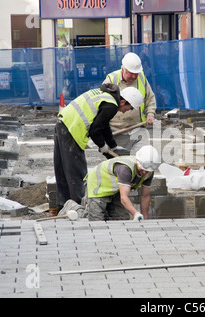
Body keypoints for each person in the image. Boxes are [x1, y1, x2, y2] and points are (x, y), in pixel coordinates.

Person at [53, 83, 144, 212]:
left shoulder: (106, 96)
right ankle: (80, 209)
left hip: (62, 124)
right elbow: (95, 130)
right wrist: (102, 146)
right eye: (128, 108)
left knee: (62, 170)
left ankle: (62, 206)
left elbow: (103, 124)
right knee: (77, 173)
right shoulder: (111, 105)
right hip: (72, 130)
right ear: (123, 101)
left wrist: (112, 146)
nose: (125, 112)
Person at [83, 145, 161, 221]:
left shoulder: (149, 172)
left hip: (114, 190)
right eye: (142, 169)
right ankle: (74, 207)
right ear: (138, 161)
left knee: (122, 219)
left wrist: (145, 219)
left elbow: (145, 196)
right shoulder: (125, 169)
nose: (144, 172)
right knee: (96, 220)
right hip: (97, 187)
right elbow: (124, 198)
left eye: (147, 170)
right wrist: (136, 214)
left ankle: (102, 213)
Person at [102, 52, 157, 153]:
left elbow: (150, 98)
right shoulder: (111, 80)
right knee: (118, 165)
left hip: (137, 128)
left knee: (142, 160)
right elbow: (101, 107)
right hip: (115, 131)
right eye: (130, 73)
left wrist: (150, 114)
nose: (133, 76)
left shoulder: (141, 78)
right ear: (123, 69)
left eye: (135, 73)